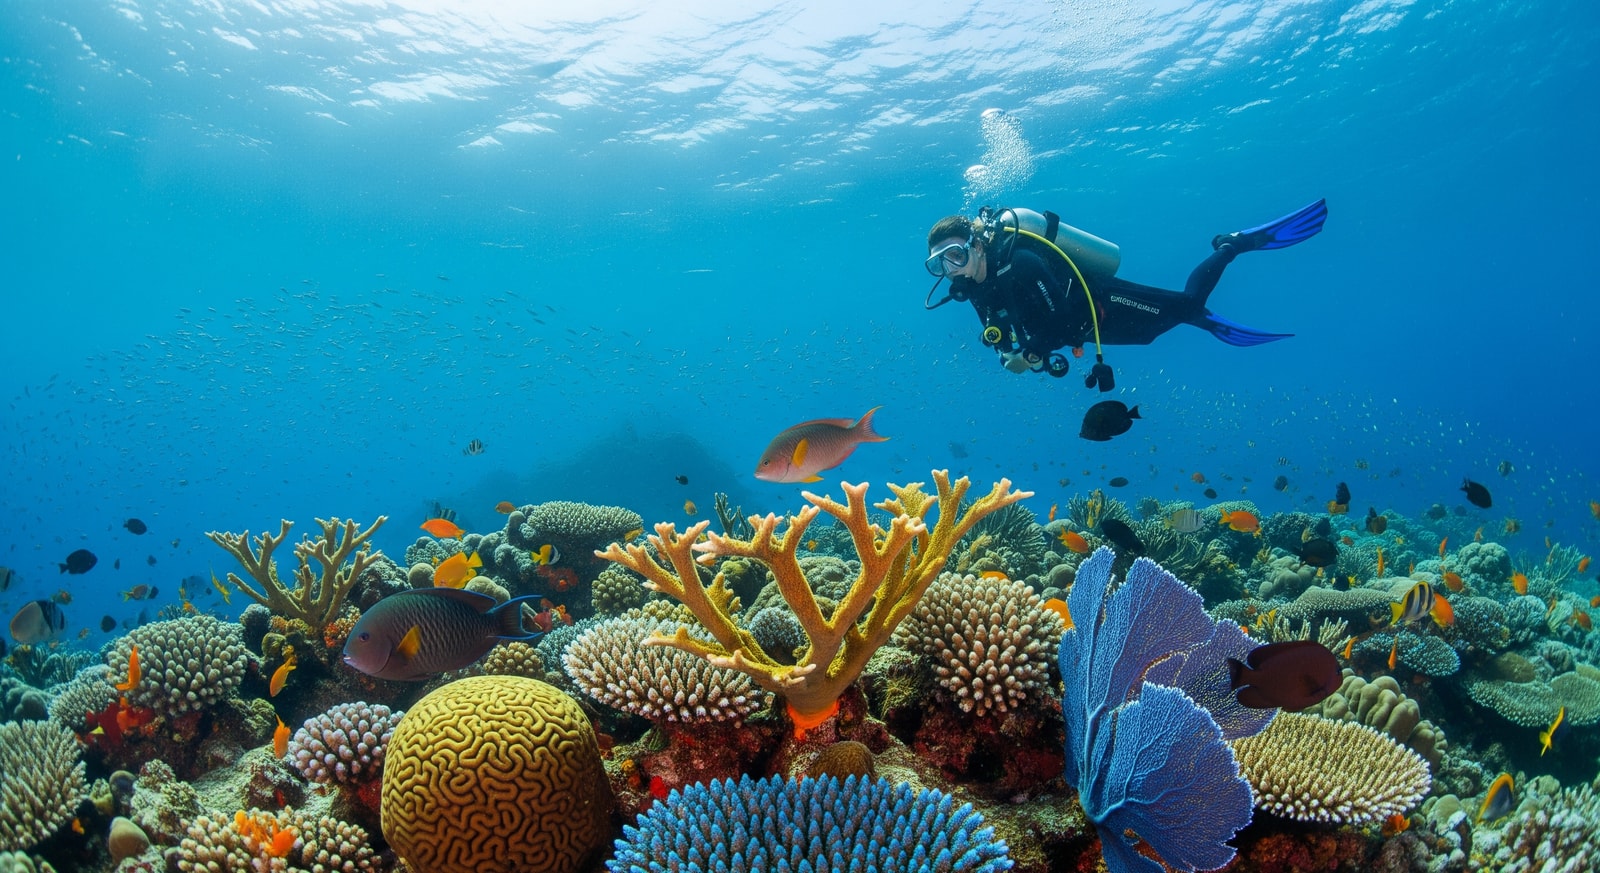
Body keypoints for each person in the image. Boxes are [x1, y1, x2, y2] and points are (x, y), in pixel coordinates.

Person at [924, 199, 1327, 379]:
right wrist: (1012, 352)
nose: (950, 269)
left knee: (1186, 304)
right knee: (1151, 334)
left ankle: (1232, 244)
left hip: (1099, 300)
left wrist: (1030, 354)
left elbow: (1062, 318)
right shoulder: (974, 288)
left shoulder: (1022, 261)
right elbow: (1007, 330)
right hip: (1085, 329)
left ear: (977, 245)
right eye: (939, 263)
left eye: (956, 255)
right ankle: (1196, 316)